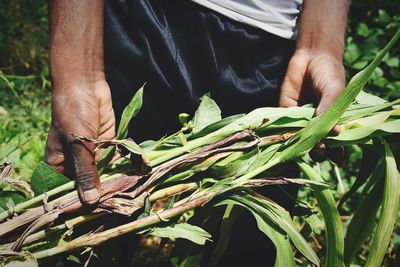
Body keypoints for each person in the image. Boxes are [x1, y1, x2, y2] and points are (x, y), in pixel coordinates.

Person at [45, 0, 350, 265]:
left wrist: (320, 43)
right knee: (79, 228)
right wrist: (78, 71)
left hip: (270, 56)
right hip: (138, 20)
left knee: (247, 244)